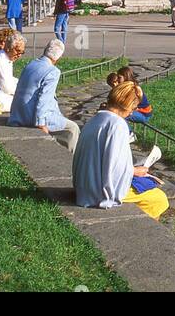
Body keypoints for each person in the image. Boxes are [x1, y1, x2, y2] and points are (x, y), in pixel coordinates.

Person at [72, 82, 168, 220]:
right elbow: (114, 168)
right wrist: (134, 171)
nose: (132, 112)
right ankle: (139, 230)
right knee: (158, 199)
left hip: (84, 185)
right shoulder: (118, 125)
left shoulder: (97, 118)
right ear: (128, 105)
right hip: (98, 191)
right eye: (134, 108)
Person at [10, 39, 79, 152]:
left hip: (18, 114)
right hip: (32, 116)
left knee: (62, 122)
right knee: (73, 128)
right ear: (58, 57)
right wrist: (41, 123)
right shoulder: (52, 71)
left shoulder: (31, 64)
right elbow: (44, 99)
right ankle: (70, 158)